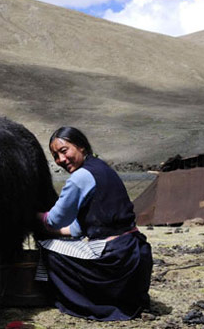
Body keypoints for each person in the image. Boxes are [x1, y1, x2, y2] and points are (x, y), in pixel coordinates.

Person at [37, 126, 153, 321]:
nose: (61, 160)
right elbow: (77, 228)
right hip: (136, 255)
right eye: (55, 155)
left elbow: (55, 220)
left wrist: (35, 216)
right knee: (65, 245)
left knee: (48, 251)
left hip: (115, 259)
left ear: (81, 147)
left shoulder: (80, 177)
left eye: (64, 151)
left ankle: (78, 300)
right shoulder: (102, 168)